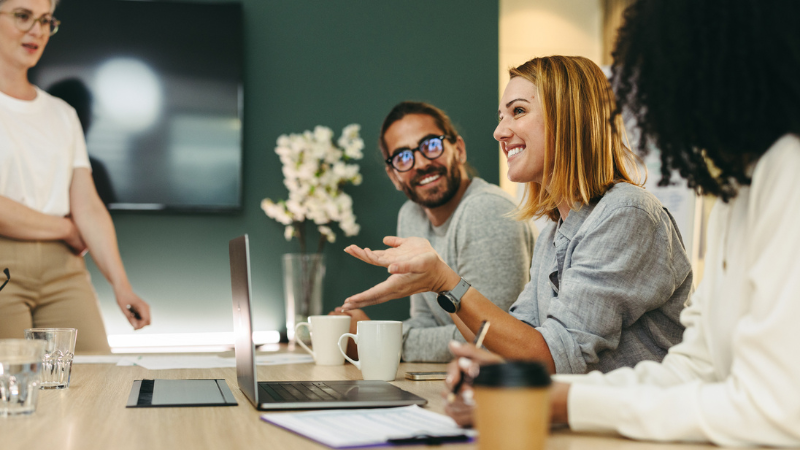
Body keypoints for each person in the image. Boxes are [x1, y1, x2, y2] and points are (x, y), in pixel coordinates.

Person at [447, 0, 800, 445]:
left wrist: (557, 399)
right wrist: (536, 393)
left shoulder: (787, 171)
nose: (650, 98)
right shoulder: (738, 193)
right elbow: (693, 369)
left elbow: (775, 411)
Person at [341, 56, 692, 375]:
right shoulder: (555, 232)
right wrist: (438, 286)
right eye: (501, 117)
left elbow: (553, 357)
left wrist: (443, 281)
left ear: (567, 116)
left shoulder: (626, 213)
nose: (499, 132)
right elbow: (510, 341)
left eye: (518, 111)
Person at [0, 0, 151, 352]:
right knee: (16, 395)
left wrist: (121, 284)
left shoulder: (62, 114)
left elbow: (89, 205)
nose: (36, 30)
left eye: (45, 20)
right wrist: (65, 228)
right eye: (23, 16)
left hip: (64, 270)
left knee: (96, 381)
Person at [333, 101, 535, 362]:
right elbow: (425, 321)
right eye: (403, 157)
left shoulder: (487, 210)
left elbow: (490, 341)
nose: (420, 163)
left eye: (430, 145)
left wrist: (375, 340)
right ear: (394, 176)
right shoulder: (411, 215)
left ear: (459, 149)